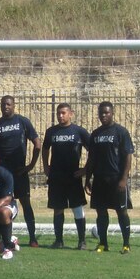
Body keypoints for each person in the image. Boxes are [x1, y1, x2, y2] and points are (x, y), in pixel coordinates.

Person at [82, 101, 134, 254]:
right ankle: (103, 243)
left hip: (116, 179)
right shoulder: (96, 134)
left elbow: (128, 157)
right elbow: (91, 158)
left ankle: (126, 244)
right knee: (101, 212)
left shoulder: (121, 132)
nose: (103, 115)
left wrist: (124, 179)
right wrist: (88, 179)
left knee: (121, 212)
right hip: (99, 179)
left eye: (106, 112)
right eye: (101, 113)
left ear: (112, 113)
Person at [0, 95, 41, 247]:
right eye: (3, 104)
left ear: (14, 105)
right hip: (3, 175)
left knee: (26, 203)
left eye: (8, 104)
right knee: (1, 205)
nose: (6, 106)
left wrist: (31, 165)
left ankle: (32, 238)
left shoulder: (22, 122)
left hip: (19, 173)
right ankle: (2, 237)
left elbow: (37, 143)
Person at [42, 103, 90, 249]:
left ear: (71, 114)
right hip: (56, 176)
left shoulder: (79, 131)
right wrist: (46, 166)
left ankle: (82, 241)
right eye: (58, 113)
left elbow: (93, 151)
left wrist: (85, 169)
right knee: (58, 208)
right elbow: (45, 149)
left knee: (77, 208)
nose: (60, 116)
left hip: (73, 176)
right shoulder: (51, 132)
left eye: (63, 113)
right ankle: (59, 240)